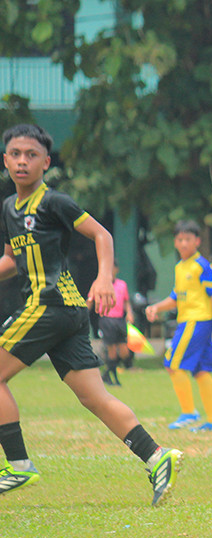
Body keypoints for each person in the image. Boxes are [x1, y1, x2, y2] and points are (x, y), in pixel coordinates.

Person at [0, 123, 181, 504]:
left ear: (46, 163)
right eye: (15, 154)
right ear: (5, 159)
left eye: (31, 155)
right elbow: (11, 261)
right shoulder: (9, 209)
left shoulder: (54, 203)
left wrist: (102, 278)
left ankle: (17, 464)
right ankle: (157, 456)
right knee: (94, 398)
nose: (22, 161)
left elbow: (103, 235)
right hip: (66, 314)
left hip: (49, 306)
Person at [145, 220, 212, 432]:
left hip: (197, 321)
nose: (183, 243)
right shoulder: (180, 267)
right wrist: (156, 307)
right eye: (180, 239)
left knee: (172, 364)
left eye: (188, 239)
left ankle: (189, 412)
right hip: (191, 321)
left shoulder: (202, 266)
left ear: (197, 241)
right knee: (201, 371)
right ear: (175, 242)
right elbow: (176, 297)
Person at [87, 261, 132, 386]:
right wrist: (83, 315)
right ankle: (114, 378)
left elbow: (126, 301)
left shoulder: (122, 285)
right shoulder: (98, 284)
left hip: (119, 320)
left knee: (124, 351)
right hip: (106, 319)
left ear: (116, 269)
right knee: (111, 350)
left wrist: (129, 313)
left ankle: (107, 373)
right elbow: (90, 300)